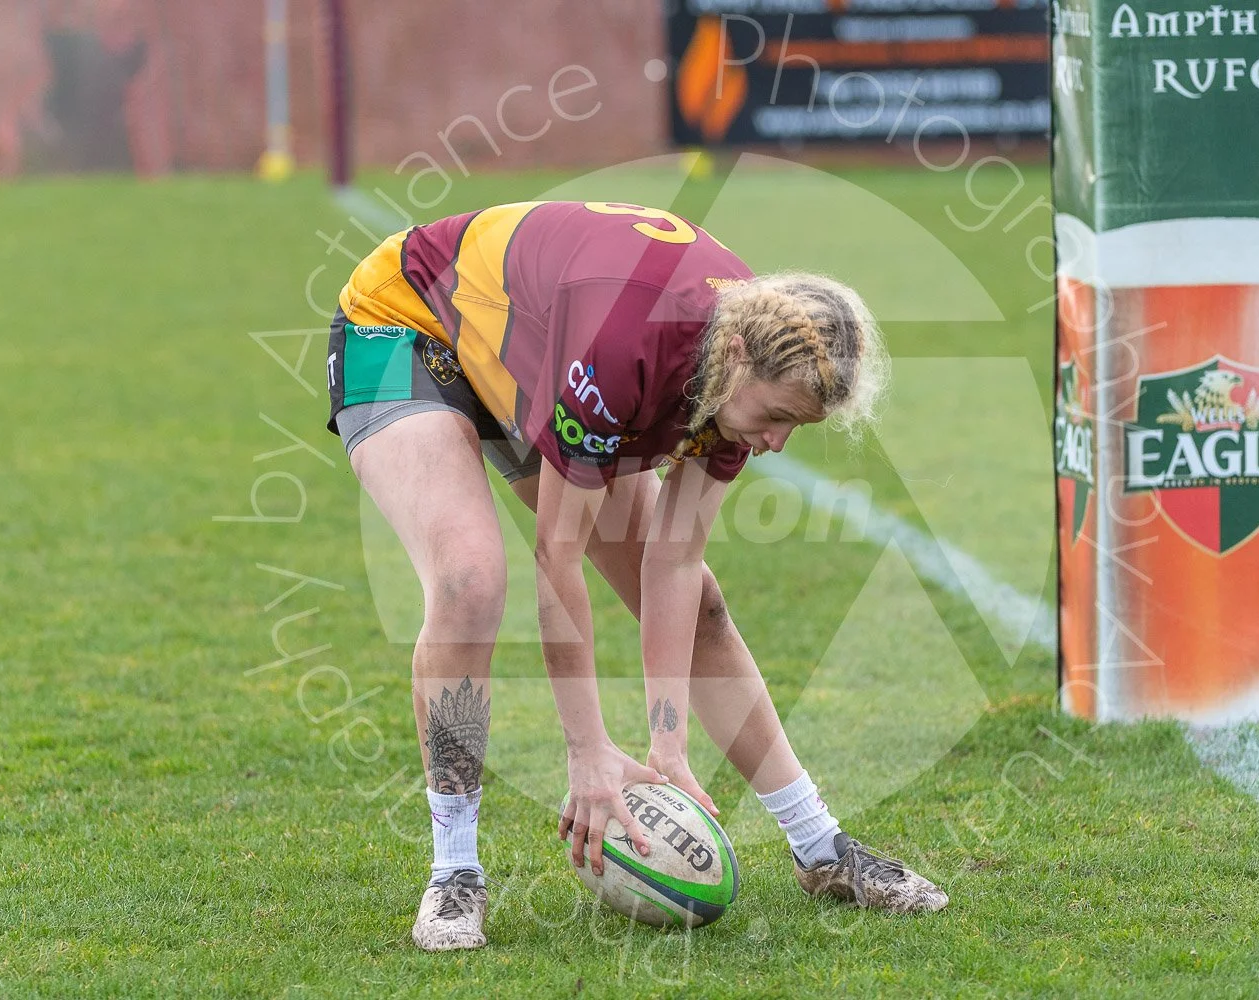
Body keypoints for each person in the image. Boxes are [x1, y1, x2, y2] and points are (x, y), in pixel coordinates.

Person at [324, 200, 947, 951]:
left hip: (533, 359)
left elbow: (674, 564)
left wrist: (668, 745)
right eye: (777, 416)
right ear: (742, 357)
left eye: (797, 427)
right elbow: (557, 560)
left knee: (705, 603)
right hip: (409, 322)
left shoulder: (746, 362)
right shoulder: (630, 348)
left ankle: (821, 849)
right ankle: (456, 870)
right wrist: (586, 753)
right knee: (470, 580)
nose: (777, 443)